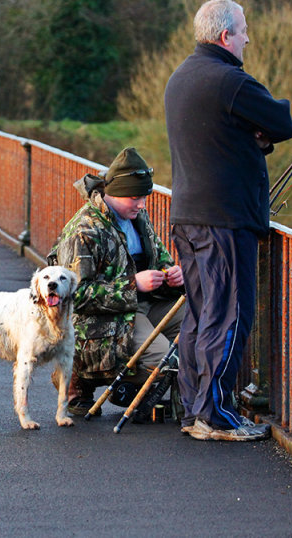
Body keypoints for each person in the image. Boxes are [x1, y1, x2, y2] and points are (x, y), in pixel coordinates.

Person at [164, 0, 292, 441]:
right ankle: (216, 416)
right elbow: (281, 120)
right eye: (243, 30)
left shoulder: (182, 76)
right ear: (225, 36)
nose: (247, 38)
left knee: (200, 317)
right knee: (232, 315)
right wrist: (262, 130)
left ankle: (194, 411)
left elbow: (218, 136)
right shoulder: (230, 80)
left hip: (187, 215)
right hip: (225, 219)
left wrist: (249, 135)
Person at [48, 147, 185, 422]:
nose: (142, 205)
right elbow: (76, 294)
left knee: (206, 323)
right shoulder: (84, 230)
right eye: (135, 198)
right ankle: (90, 379)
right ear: (114, 193)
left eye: (145, 197)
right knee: (165, 360)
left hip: (142, 307)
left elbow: (160, 257)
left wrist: (171, 274)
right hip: (100, 321)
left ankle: (190, 404)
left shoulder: (136, 217)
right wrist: (133, 285)